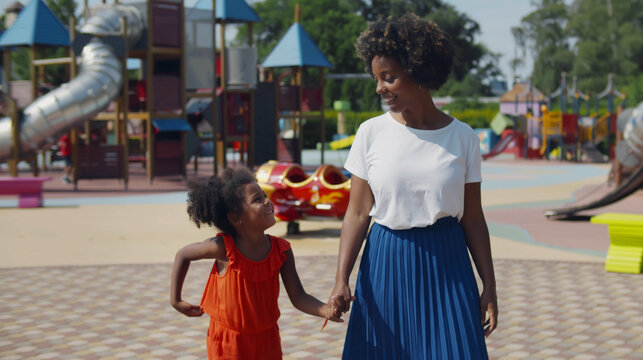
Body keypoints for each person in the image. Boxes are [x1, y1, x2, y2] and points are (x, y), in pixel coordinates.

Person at [328, 14, 498, 359]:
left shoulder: (463, 137)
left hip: (448, 262)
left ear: (420, 72)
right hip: (386, 261)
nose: (380, 88)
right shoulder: (370, 133)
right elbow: (358, 213)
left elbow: (474, 218)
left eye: (388, 78)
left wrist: (489, 285)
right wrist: (341, 278)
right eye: (377, 79)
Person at [170, 167, 341, 359]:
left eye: (265, 196)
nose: (268, 202)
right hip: (229, 343)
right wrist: (176, 300)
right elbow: (183, 254)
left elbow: (299, 296)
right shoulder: (223, 248)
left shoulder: (281, 250)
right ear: (235, 217)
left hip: (267, 340)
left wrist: (326, 309)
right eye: (257, 200)